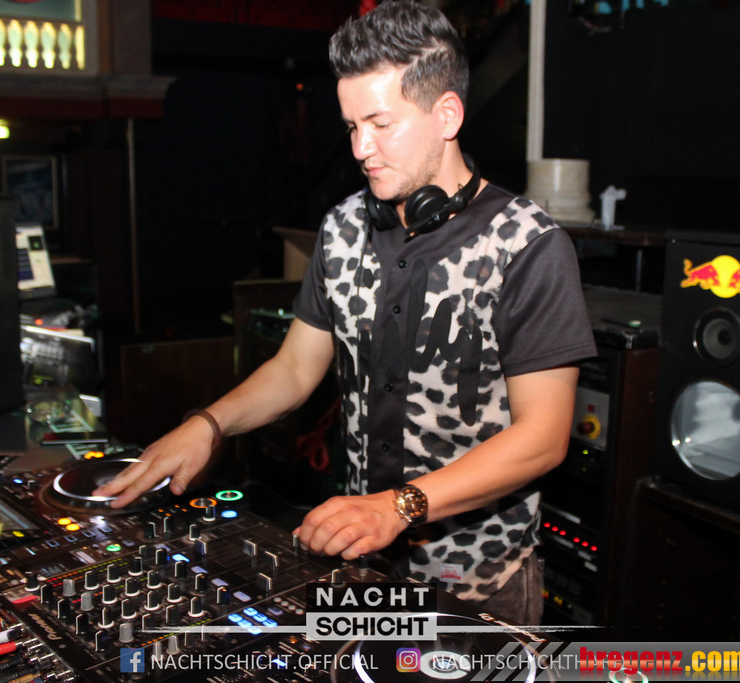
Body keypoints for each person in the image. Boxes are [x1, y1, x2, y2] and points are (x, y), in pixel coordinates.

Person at [96, 0, 596, 625]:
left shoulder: (529, 245)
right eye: (352, 125)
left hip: (476, 579)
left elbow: (543, 438)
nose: (361, 148)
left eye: (381, 124)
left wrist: (398, 506)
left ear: (447, 115)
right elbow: (293, 370)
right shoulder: (341, 229)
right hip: (365, 561)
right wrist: (210, 424)